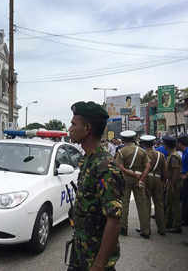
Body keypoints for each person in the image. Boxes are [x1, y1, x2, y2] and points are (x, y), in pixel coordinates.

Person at [68, 101, 124, 271]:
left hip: (95, 258)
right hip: (81, 252)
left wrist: (99, 265)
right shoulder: (88, 160)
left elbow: (114, 220)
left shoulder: (105, 167)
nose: (69, 128)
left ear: (87, 128)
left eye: (73, 124)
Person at [115, 130, 151, 238]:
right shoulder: (142, 151)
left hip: (125, 179)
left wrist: (128, 172)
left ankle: (123, 228)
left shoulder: (121, 151)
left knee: (124, 204)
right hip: (139, 179)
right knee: (142, 205)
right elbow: (148, 166)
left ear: (123, 140)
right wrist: (141, 178)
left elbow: (119, 167)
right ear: (134, 139)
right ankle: (145, 230)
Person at [139, 135, 167, 235]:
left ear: (143, 144)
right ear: (153, 143)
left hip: (146, 179)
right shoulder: (160, 155)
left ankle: (145, 230)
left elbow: (140, 169)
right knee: (159, 204)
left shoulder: (142, 154)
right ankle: (162, 228)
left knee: (146, 204)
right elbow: (165, 171)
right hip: (158, 179)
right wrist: (163, 182)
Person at [163, 136, 183, 233]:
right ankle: (170, 223)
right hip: (171, 182)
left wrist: (172, 184)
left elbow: (176, 171)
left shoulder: (174, 156)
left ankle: (177, 225)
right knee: (170, 204)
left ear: (167, 145)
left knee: (175, 205)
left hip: (174, 183)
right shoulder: (171, 155)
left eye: (164, 144)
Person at [177, 134, 188, 226]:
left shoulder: (187, 152)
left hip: (186, 178)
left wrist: (185, 175)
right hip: (183, 178)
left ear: (180, 143)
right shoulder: (184, 152)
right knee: (184, 199)